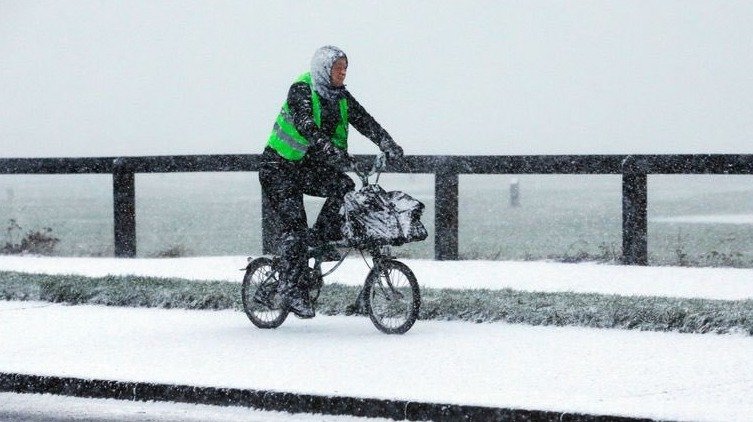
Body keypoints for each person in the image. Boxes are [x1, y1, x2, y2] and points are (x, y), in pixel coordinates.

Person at [258, 45, 404, 318]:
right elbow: (306, 126)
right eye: (338, 68)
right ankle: (292, 288)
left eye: (345, 68)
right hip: (278, 168)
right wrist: (330, 150)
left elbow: (365, 121)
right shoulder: (301, 90)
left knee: (344, 187)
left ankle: (321, 238)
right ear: (324, 69)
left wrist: (387, 143)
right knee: (295, 226)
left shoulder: (340, 97)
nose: (343, 73)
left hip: (305, 168)